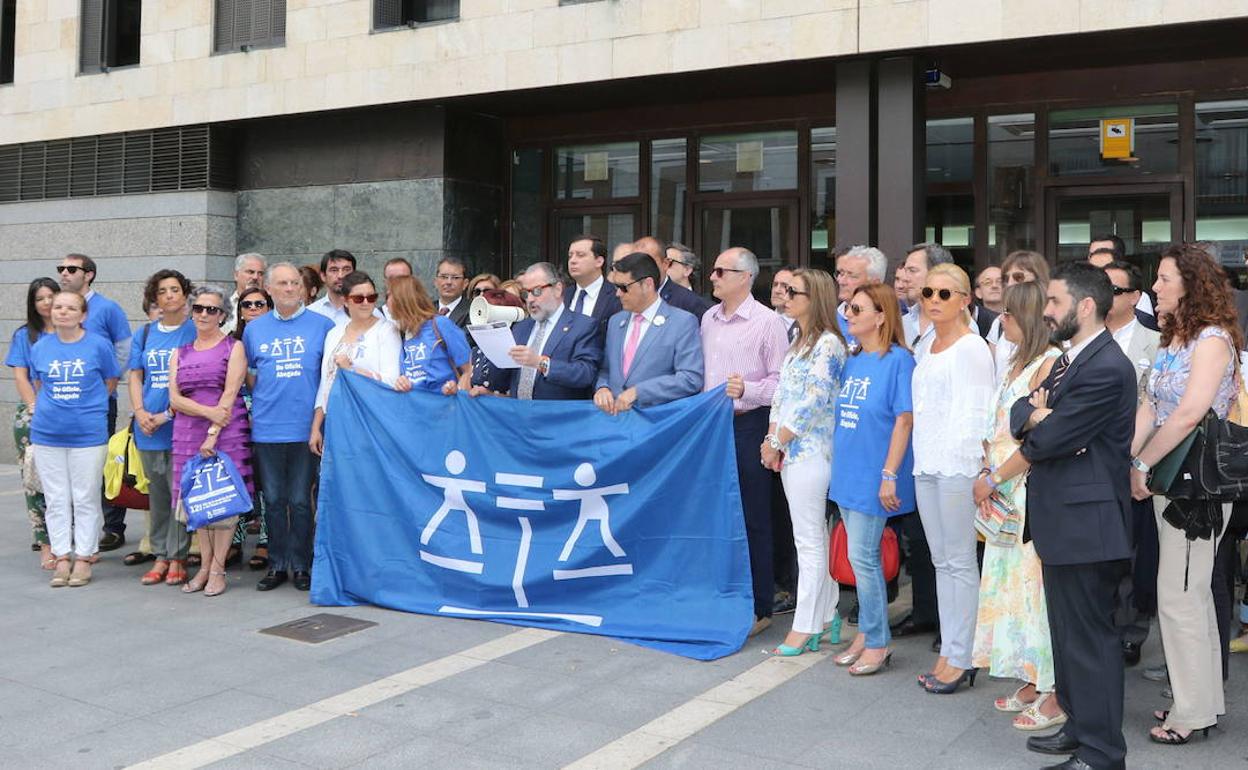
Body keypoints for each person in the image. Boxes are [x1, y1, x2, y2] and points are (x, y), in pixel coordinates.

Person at [1010, 261, 1135, 769]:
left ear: (1085, 306)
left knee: (1090, 644)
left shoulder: (1106, 366)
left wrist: (1043, 418)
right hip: (1065, 521)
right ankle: (1079, 729)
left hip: (1088, 526)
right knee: (1066, 636)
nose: (1046, 311)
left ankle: (1102, 754)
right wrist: (1038, 415)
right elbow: (1020, 413)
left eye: (1055, 302)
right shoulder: (1069, 360)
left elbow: (1050, 438)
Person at [1130, 244, 1241, 746]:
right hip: (1168, 480)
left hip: (1197, 486)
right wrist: (1132, 461)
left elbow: (1191, 412)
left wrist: (1142, 462)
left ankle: (1192, 712)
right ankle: (1198, 701)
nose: (1155, 287)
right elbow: (1150, 408)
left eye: (1164, 279)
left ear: (1191, 285)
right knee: (1185, 595)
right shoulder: (1172, 339)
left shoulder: (1213, 340)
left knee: (1180, 596)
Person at [970, 281, 1064, 730]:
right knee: (1012, 592)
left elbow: (1037, 436)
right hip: (1002, 489)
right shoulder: (1015, 362)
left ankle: (1054, 688)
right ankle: (1031, 674)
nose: (1000, 319)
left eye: (1007, 313)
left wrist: (995, 476)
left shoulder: (1048, 364)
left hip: (1024, 489)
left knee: (1035, 593)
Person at [911, 263, 995, 694]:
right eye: (928, 292)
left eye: (946, 293)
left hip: (958, 467)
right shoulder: (926, 344)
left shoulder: (972, 348)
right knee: (941, 561)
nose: (934, 300)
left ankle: (962, 657)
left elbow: (979, 415)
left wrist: (979, 471)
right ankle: (951, 649)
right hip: (926, 463)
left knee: (960, 562)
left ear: (966, 300)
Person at [830, 282, 916, 675]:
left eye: (857, 309)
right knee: (857, 556)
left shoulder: (899, 360)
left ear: (881, 316)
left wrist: (889, 474)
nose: (848, 314)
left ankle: (878, 643)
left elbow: (904, 419)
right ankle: (866, 634)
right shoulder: (853, 359)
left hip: (873, 472)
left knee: (864, 559)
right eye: (848, 308)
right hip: (847, 469)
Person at [703, 247, 790, 635]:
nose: (713, 277)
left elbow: (781, 383)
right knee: (716, 512)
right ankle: (723, 592)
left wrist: (747, 391)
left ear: (745, 277)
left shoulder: (768, 322)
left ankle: (760, 606)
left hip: (749, 423)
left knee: (754, 515)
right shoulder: (708, 318)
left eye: (722, 271)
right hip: (710, 427)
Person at [762, 267, 846, 653]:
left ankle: (807, 624)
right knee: (814, 537)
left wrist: (778, 441)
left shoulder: (828, 344)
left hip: (812, 453)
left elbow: (812, 401)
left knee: (809, 541)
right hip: (792, 450)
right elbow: (781, 395)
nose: (786, 296)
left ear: (816, 298)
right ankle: (827, 615)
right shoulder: (799, 340)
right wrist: (771, 437)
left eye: (795, 291)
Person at [243, 263, 336, 592]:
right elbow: (252, 376)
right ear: (268, 288)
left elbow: (328, 380)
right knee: (274, 500)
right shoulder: (254, 330)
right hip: (267, 428)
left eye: (294, 283)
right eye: (281, 283)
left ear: (304, 288)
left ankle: (301, 564)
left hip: (304, 430)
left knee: (299, 499)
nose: (289, 288)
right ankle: (277, 563)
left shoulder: (323, 326)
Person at [29, 291, 120, 587]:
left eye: (70, 308)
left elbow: (109, 380)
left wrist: (88, 408)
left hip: (88, 434)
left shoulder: (98, 345)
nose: (63, 312)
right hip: (47, 433)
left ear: (82, 315)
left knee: (85, 496)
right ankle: (61, 556)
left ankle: (83, 557)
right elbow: (39, 383)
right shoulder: (41, 347)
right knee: (55, 499)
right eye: (58, 307)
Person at [168, 285, 253, 598]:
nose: (204, 314)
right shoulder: (180, 353)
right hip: (188, 432)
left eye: (212, 309)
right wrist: (207, 414)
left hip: (225, 432)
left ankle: (218, 568)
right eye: (199, 308)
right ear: (192, 312)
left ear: (223, 315)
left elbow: (230, 394)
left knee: (223, 501)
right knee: (198, 502)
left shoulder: (234, 347)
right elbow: (174, 398)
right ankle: (204, 566)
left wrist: (214, 431)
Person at [1104, 260, 1162, 666]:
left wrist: (1138, 458)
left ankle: (1130, 630)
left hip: (1134, 459)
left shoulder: (1153, 343)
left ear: (1135, 297)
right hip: (1089, 460)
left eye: (1116, 290)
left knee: (1132, 551)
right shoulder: (1077, 339)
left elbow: (1155, 407)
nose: (1107, 297)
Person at [127, 270, 197, 586]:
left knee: (179, 494)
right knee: (157, 496)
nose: (169, 295)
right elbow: (136, 376)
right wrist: (140, 411)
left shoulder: (194, 331)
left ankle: (179, 556)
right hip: (148, 428)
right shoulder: (144, 334)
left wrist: (167, 414)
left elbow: (198, 381)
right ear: (154, 298)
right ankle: (159, 555)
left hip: (182, 426)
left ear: (185, 295)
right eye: (162, 291)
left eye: (175, 289)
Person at [58, 253, 132, 552]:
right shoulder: (59, 307)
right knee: (69, 467)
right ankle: (72, 528)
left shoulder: (107, 308)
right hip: (64, 403)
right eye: (61, 268)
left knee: (101, 465)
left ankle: (113, 527)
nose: (64, 273)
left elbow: (124, 349)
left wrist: (107, 386)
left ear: (88, 274)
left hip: (99, 403)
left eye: (71, 269)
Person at [594, 251, 704, 414]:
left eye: (624, 288)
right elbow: (607, 369)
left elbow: (690, 378)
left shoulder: (682, 322)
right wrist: (602, 388)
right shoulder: (616, 322)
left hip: (656, 424)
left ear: (647, 284)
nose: (618, 294)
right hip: (616, 423)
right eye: (616, 287)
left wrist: (639, 392)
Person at [473, 263, 602, 400]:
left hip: (557, 418)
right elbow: (505, 380)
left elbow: (586, 374)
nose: (530, 299)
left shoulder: (583, 326)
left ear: (557, 289)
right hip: (520, 416)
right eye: (526, 293)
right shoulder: (521, 327)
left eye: (537, 291)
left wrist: (541, 363)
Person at [311, 272, 402, 454]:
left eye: (372, 297)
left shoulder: (386, 331)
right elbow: (325, 382)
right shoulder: (334, 333)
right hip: (335, 421)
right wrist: (316, 428)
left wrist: (352, 370)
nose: (366, 303)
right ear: (346, 300)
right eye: (359, 298)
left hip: (370, 419)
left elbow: (392, 380)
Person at [7, 278, 58, 568]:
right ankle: (45, 543)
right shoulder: (25, 335)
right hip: (34, 416)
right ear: (33, 303)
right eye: (40, 298)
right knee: (34, 481)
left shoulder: (74, 333)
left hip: (68, 418)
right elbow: (20, 376)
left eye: (52, 296)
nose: (47, 303)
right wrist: (35, 408)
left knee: (64, 483)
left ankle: (67, 539)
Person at [231, 287, 273, 571]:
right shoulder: (232, 342)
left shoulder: (274, 339)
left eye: (260, 304)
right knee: (239, 478)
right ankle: (235, 540)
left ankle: (267, 542)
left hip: (270, 416)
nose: (254, 308)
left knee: (267, 481)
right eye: (248, 304)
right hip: (237, 419)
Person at [388, 275, 473, 395]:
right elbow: (408, 374)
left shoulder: (440, 324)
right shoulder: (403, 333)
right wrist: (402, 382)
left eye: (389, 295)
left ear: (402, 299)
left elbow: (468, 369)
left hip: (446, 406)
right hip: (418, 407)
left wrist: (458, 391)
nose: (386, 302)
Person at [633, 236, 713, 319]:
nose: (664, 266)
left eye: (670, 262)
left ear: (687, 270)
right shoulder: (643, 297)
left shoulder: (698, 303)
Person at [565, 234, 623, 337]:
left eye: (580, 255)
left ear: (599, 261)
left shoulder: (616, 296)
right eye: (570, 256)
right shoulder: (562, 296)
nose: (572, 261)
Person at [900, 242, 955, 349]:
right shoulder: (902, 323)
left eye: (912, 271)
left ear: (936, 272)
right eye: (906, 271)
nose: (905, 278)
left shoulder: (960, 325)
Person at [835, 246, 888, 346]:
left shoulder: (893, 322)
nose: (841, 281)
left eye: (852, 276)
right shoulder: (827, 320)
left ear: (874, 283)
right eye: (841, 274)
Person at [309, 249, 376, 326]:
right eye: (334, 270)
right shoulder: (312, 312)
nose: (341, 276)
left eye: (346, 269)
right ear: (323, 276)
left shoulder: (370, 311)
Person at [222, 253, 266, 335]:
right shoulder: (224, 306)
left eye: (260, 273)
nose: (255, 277)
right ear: (236, 275)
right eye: (250, 272)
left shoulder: (271, 306)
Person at [433, 256, 471, 327]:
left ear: (465, 284)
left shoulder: (472, 312)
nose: (449, 282)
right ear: (436, 282)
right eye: (444, 277)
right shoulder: (425, 310)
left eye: (455, 278)